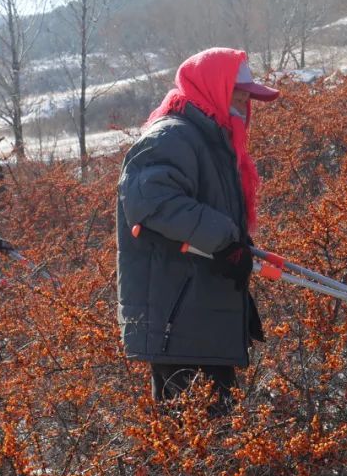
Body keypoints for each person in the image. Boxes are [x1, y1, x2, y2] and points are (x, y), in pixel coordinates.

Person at [116, 48, 279, 414]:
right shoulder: (172, 136)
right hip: (179, 324)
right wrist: (224, 239)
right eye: (237, 89)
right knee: (195, 453)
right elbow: (149, 202)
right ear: (212, 87)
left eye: (248, 92)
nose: (245, 99)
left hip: (201, 322)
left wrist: (237, 247)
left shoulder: (212, 138)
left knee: (216, 449)